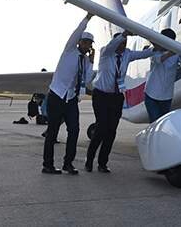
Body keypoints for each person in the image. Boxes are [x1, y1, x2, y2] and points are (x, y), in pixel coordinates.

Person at [85, 30, 157, 173]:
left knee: (111, 131)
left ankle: (102, 163)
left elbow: (146, 53)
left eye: (125, 43)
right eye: (121, 42)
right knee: (100, 129)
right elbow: (113, 44)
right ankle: (89, 160)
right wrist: (125, 34)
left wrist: (155, 42)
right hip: (101, 96)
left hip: (116, 97)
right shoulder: (106, 53)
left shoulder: (128, 54)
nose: (123, 45)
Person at [42, 15, 95, 175]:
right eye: (85, 42)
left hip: (71, 98)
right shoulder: (69, 50)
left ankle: (68, 163)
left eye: (89, 44)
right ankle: (47, 165)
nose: (87, 46)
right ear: (79, 42)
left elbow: (86, 79)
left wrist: (91, 61)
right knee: (52, 131)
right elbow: (77, 32)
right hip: (57, 95)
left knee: (74, 130)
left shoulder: (85, 61)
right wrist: (87, 18)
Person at [144, 29, 180, 123]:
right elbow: (158, 60)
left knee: (164, 122)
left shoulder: (177, 53)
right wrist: (171, 52)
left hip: (167, 95)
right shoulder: (155, 51)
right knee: (155, 122)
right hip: (152, 94)